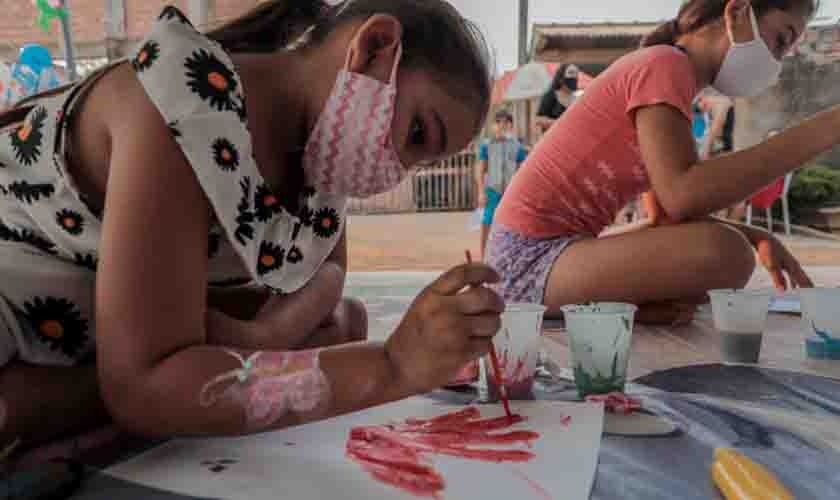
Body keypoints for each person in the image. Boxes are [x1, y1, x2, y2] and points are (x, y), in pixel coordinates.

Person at [0, 0, 503, 456]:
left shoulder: (320, 155)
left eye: (419, 160)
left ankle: (127, 375)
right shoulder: (182, 110)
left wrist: (262, 334)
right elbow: (140, 391)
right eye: (417, 133)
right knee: (132, 390)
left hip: (105, 310)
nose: (398, 168)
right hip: (21, 288)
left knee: (341, 324)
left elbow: (328, 280)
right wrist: (392, 368)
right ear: (374, 48)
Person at [487, 0, 823, 326]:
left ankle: (622, 307)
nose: (777, 62)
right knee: (726, 253)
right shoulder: (665, 66)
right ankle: (622, 306)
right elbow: (683, 194)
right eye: (781, 40)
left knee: (717, 253)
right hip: (527, 263)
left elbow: (665, 215)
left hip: (545, 255)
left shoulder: (669, 76)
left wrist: (756, 234)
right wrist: (829, 127)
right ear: (737, 12)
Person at [475, 110, 528, 260]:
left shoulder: (517, 146)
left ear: (511, 125)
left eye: (506, 122)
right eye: (498, 122)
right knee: (487, 221)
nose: (502, 125)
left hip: (511, 191)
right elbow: (480, 169)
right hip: (493, 190)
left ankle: (510, 255)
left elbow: (523, 168)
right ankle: (484, 257)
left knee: (513, 223)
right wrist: (481, 191)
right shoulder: (487, 145)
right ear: (493, 126)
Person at [535, 64, 579, 134]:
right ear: (561, 80)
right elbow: (538, 119)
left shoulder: (576, 99)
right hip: (552, 139)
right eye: (569, 81)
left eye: (574, 79)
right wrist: (560, 123)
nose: (572, 83)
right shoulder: (551, 95)